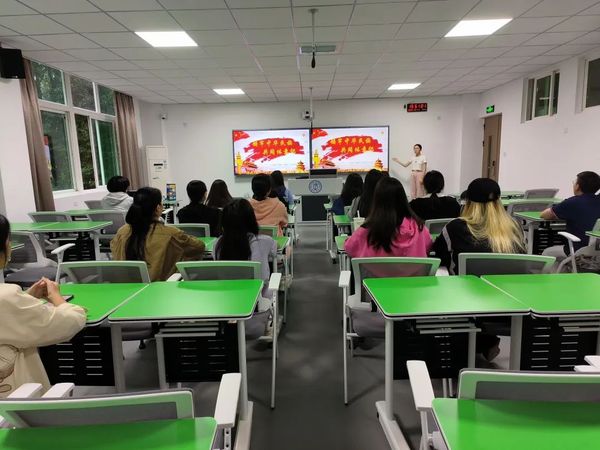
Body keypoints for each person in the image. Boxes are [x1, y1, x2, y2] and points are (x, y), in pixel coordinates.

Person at [0, 215, 86, 397]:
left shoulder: (8, 298)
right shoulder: (6, 297)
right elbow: (68, 322)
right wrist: (57, 298)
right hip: (14, 405)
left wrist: (25, 299)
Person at [433, 178, 526, 275]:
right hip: (508, 284)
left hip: (465, 284)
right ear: (499, 201)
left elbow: (440, 256)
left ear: (468, 202)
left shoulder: (454, 227)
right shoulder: (515, 226)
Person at [111, 187, 205, 281]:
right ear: (158, 207)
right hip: (162, 287)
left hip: (126, 286)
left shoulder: (122, 232)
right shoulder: (171, 233)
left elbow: (114, 250)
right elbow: (199, 247)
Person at [345, 177, 432, 258]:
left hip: (377, 270)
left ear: (377, 201)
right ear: (403, 199)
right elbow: (428, 247)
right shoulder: (419, 228)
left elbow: (349, 248)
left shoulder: (366, 231)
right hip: (413, 270)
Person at [214, 199, 277, 299]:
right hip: (258, 301)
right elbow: (275, 251)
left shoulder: (218, 244)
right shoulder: (264, 241)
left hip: (226, 299)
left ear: (223, 223)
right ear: (251, 220)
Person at [541, 171, 600, 261]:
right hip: (596, 251)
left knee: (547, 253)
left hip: (577, 250)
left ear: (577, 186)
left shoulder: (572, 202)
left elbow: (545, 215)